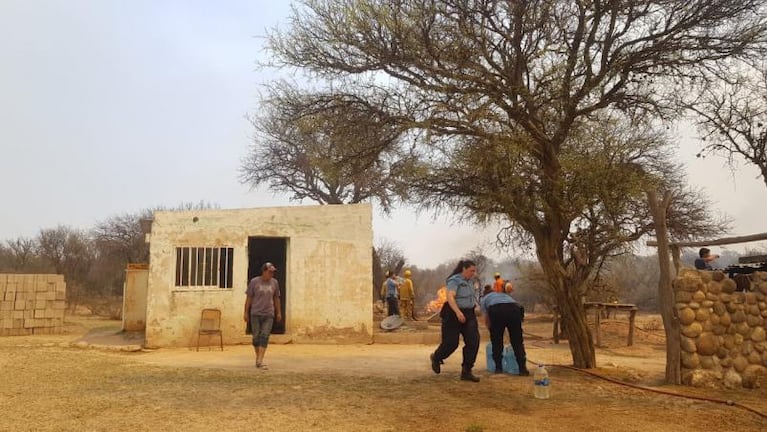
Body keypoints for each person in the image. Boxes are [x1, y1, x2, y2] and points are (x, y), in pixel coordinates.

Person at [430, 260, 481, 382]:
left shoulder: (470, 282)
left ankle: (467, 371)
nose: (473, 273)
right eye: (471, 271)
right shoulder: (454, 280)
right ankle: (436, 357)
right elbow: (450, 296)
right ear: (464, 269)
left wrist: (476, 307)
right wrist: (458, 312)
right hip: (453, 313)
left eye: (474, 271)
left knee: (473, 341)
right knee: (451, 343)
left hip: (469, 314)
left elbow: (471, 298)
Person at [480, 283, 529, 376]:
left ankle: (498, 368)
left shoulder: (484, 299)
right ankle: (523, 369)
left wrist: (491, 329)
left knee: (497, 341)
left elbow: (486, 318)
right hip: (514, 308)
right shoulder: (503, 295)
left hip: (497, 310)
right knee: (517, 341)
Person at [244, 262, 282, 369]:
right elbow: (249, 298)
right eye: (269, 272)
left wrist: (278, 312)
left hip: (269, 313)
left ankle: (260, 360)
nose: (271, 274)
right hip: (255, 313)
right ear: (264, 271)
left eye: (273, 272)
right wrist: (246, 312)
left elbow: (276, 298)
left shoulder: (274, 283)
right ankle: (258, 358)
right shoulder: (254, 282)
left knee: (264, 336)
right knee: (256, 337)